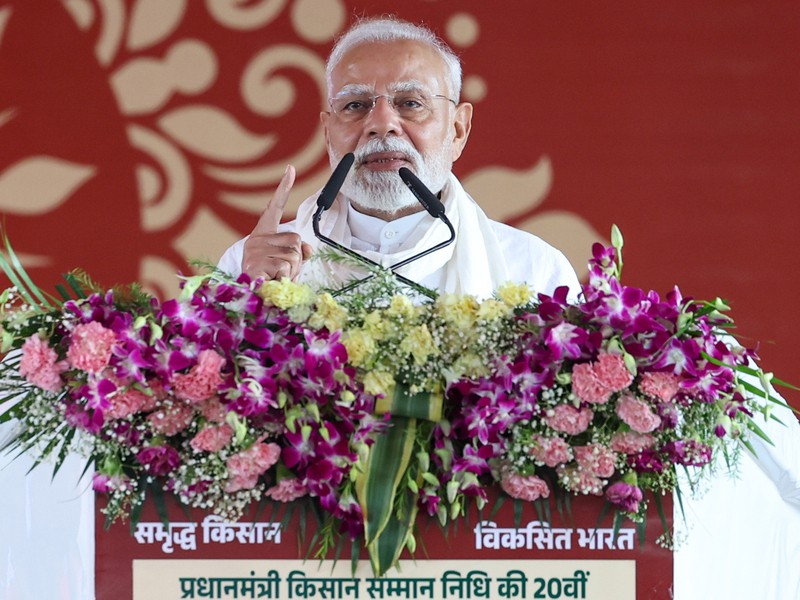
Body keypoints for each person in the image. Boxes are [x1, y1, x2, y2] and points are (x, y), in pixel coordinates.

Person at [217, 17, 581, 300]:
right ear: (328, 134)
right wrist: (246, 302)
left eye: (410, 104)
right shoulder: (254, 264)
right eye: (355, 105)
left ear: (457, 130)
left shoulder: (533, 272)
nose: (381, 124)